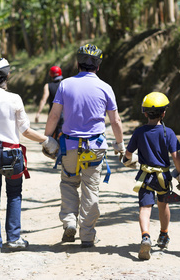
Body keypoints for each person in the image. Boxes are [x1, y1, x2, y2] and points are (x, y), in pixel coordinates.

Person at [0, 57, 59, 258]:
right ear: (7, 75)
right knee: (14, 194)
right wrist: (47, 141)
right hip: (12, 155)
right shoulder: (15, 99)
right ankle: (14, 239)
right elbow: (25, 131)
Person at [43, 44, 125, 248]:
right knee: (91, 189)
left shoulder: (65, 85)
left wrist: (47, 139)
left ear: (77, 63)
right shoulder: (106, 87)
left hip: (69, 145)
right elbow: (115, 121)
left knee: (69, 184)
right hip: (95, 147)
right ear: (98, 66)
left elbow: (54, 115)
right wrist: (120, 144)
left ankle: (70, 221)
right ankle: (87, 235)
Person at [123, 92, 180, 260]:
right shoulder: (169, 133)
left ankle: (145, 236)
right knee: (163, 206)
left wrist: (125, 159)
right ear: (164, 113)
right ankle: (164, 235)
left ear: (144, 113)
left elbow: (128, 154)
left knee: (145, 208)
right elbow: (175, 156)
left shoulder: (139, 132)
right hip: (163, 177)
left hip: (145, 177)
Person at [35, 66, 64, 140]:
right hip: (65, 115)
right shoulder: (65, 84)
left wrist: (38, 113)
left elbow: (44, 99)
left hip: (53, 114)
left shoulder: (48, 86)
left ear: (50, 74)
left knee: (52, 138)